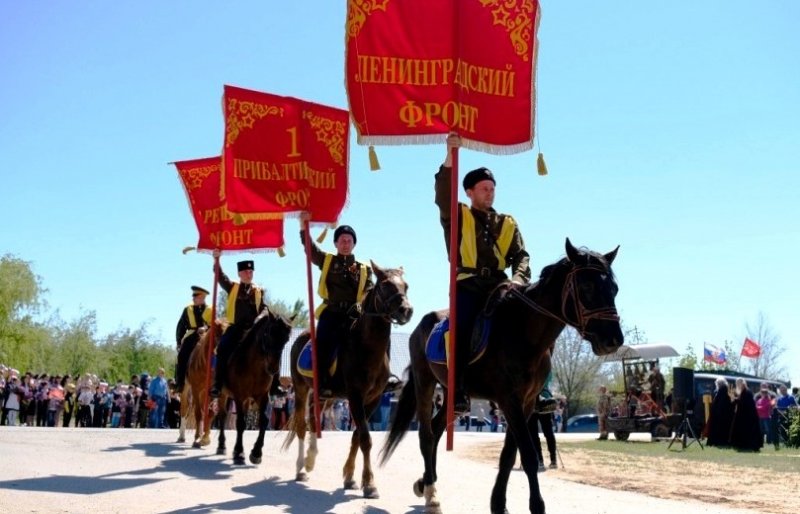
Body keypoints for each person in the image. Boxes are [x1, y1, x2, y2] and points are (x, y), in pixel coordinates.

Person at [434, 133, 531, 413]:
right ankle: (459, 389)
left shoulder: (507, 223)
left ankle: (539, 389)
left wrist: (518, 278)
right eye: (483, 188)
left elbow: (521, 256)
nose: (489, 192)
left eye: (492, 188)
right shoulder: (456, 215)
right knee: (461, 328)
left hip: (501, 286)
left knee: (532, 324)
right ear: (469, 192)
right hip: (468, 284)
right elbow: (443, 194)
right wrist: (450, 156)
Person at [299, 215, 401, 395]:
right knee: (324, 341)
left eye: (349, 240)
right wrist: (302, 227)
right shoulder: (327, 260)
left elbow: (368, 291)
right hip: (331, 311)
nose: (346, 243)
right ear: (335, 243)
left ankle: (387, 375)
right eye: (342, 240)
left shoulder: (363, 268)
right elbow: (311, 250)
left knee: (381, 332)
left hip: (354, 313)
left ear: (354, 244)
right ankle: (323, 381)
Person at [209, 249, 267, 398]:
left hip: (253, 330)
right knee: (222, 349)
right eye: (246, 271)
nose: (249, 274)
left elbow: (264, 308)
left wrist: (262, 316)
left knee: (271, 347)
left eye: (251, 271)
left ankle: (273, 386)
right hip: (235, 328)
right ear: (240, 274)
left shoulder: (259, 291)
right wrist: (216, 260)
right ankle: (218, 384)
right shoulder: (232, 287)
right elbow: (220, 277)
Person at [174, 285, 211, 392]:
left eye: (196, 296)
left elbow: (215, 324)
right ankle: (180, 383)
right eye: (193, 296)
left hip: (206, 337)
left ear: (203, 297)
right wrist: (178, 342)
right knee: (181, 356)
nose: (193, 298)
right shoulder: (188, 309)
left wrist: (206, 328)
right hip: (192, 337)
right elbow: (180, 326)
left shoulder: (210, 309)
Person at [730, 378, 762, 452]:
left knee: (749, 431)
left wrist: (735, 399)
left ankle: (748, 445)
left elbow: (744, 403)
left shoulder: (747, 392)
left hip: (748, 416)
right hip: (744, 415)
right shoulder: (743, 392)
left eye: (738, 384)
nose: (737, 385)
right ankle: (742, 444)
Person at [705, 377, 733, 447]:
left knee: (718, 430)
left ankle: (718, 442)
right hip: (722, 416)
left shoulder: (722, 392)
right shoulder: (725, 391)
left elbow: (720, 405)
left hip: (720, 416)